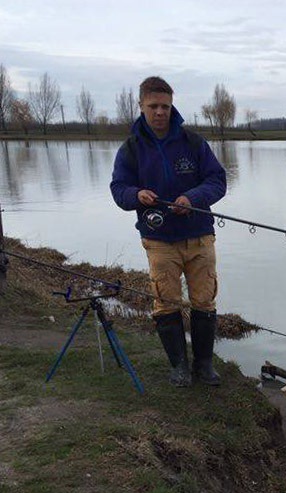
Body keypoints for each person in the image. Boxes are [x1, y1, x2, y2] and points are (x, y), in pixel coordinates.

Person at [110, 76, 227, 387]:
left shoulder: (193, 143)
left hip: (199, 236)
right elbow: (118, 189)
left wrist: (194, 198)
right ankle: (179, 368)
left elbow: (217, 181)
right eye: (153, 106)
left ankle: (203, 366)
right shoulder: (131, 149)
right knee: (165, 301)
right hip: (159, 240)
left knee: (205, 300)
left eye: (165, 106)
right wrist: (136, 195)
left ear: (172, 106)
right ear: (141, 106)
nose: (160, 112)